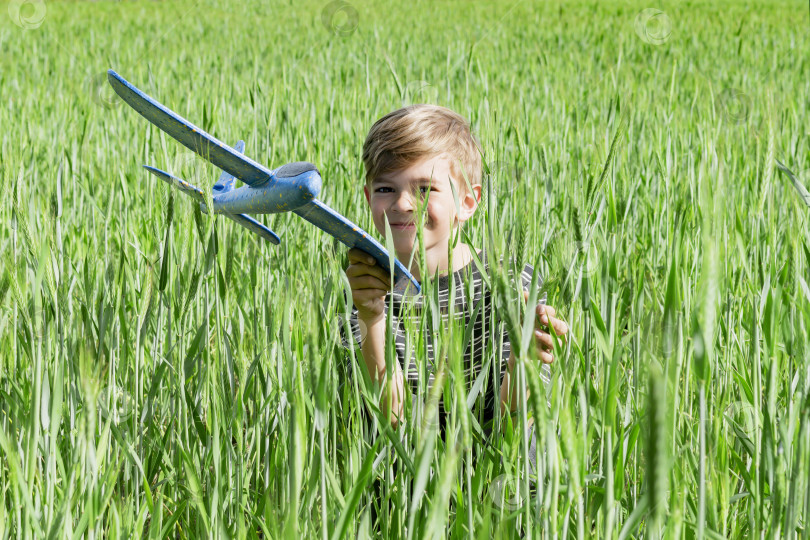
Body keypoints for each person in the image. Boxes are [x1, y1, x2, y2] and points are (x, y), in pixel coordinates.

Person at [339, 104, 569, 440]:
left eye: (424, 189)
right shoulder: (365, 287)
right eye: (385, 189)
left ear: (467, 202)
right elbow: (389, 428)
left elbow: (510, 434)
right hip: (402, 486)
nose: (403, 204)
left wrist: (526, 361)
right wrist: (373, 317)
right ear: (367, 197)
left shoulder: (509, 285)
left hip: (495, 486)